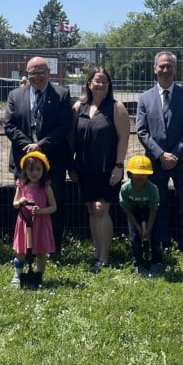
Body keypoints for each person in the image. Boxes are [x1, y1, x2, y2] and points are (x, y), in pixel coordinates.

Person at [4, 56, 73, 253]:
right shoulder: (15, 95)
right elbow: (9, 125)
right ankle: (25, 248)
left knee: (53, 203)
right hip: (24, 162)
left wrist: (41, 145)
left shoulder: (62, 94)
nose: (37, 76)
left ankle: (53, 248)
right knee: (25, 206)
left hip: (52, 160)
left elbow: (64, 125)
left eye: (41, 72)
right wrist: (28, 145)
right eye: (32, 73)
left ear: (48, 73)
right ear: (27, 74)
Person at [136, 51, 183, 254]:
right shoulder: (144, 98)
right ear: (155, 69)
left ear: (175, 69)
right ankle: (162, 242)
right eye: (161, 66)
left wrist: (175, 154)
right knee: (159, 204)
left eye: (169, 66)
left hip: (182, 161)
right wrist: (160, 155)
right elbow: (142, 131)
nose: (165, 70)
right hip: (156, 161)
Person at [71, 67, 130, 273]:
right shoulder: (79, 107)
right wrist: (71, 165)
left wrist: (119, 165)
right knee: (90, 209)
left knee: (100, 209)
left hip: (107, 167)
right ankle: (96, 253)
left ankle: (104, 257)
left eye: (105, 81)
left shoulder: (117, 107)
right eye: (97, 81)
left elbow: (124, 138)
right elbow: (71, 137)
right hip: (84, 167)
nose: (101, 84)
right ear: (89, 84)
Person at [11, 151, 56, 287]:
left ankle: (38, 276)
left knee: (41, 252)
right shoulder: (22, 185)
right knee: (21, 251)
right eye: (30, 169)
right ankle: (17, 275)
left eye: (38, 169)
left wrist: (41, 211)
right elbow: (15, 204)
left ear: (43, 170)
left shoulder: (46, 187)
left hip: (41, 223)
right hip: (24, 222)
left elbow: (54, 207)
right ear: (25, 170)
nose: (34, 173)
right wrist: (21, 201)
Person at [119, 155, 161, 277]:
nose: (140, 181)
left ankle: (157, 262)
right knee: (134, 239)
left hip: (149, 213)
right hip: (133, 213)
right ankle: (139, 263)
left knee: (155, 238)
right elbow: (127, 209)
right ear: (129, 175)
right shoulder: (125, 189)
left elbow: (153, 210)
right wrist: (138, 228)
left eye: (143, 178)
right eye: (137, 178)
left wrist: (148, 229)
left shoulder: (152, 189)